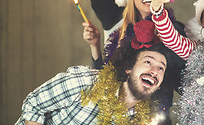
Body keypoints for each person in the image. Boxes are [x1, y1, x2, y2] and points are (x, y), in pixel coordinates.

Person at [88, 0, 186, 122]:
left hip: (154, 117)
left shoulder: (174, 30)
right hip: (113, 113)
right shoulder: (117, 20)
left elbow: (182, 81)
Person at [16, 20, 170, 125]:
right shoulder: (84, 82)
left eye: (161, 68)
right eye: (148, 62)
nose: (153, 71)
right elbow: (33, 105)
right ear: (128, 68)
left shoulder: (143, 119)